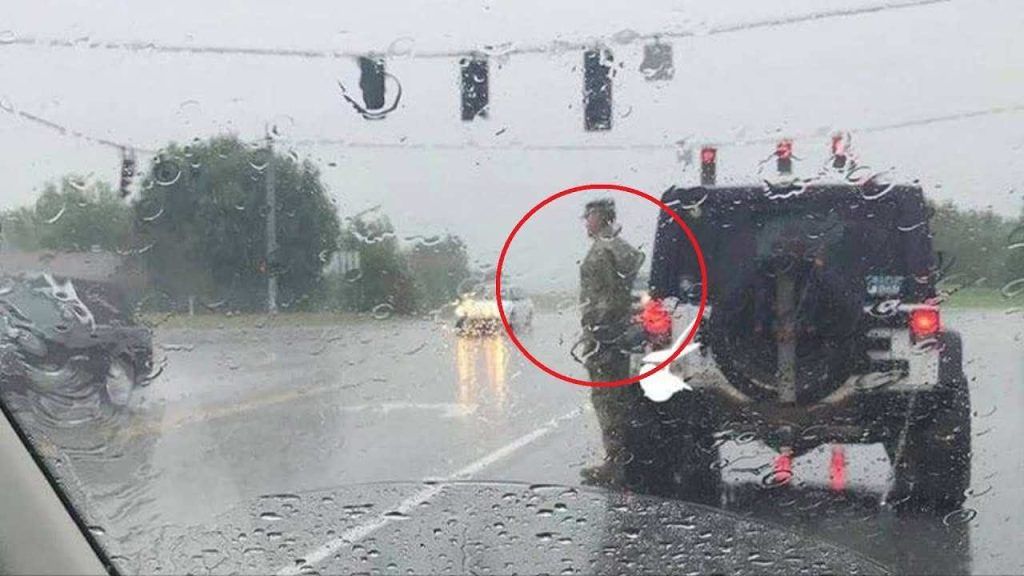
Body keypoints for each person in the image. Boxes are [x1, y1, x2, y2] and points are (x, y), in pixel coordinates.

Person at [577, 198, 645, 486]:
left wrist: (598, 326)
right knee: (617, 397)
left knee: (607, 398)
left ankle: (616, 462)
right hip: (615, 331)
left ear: (601, 217)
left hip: (605, 334)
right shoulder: (617, 246)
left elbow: (606, 296)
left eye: (589, 217)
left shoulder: (602, 251)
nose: (586, 222)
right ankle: (623, 459)